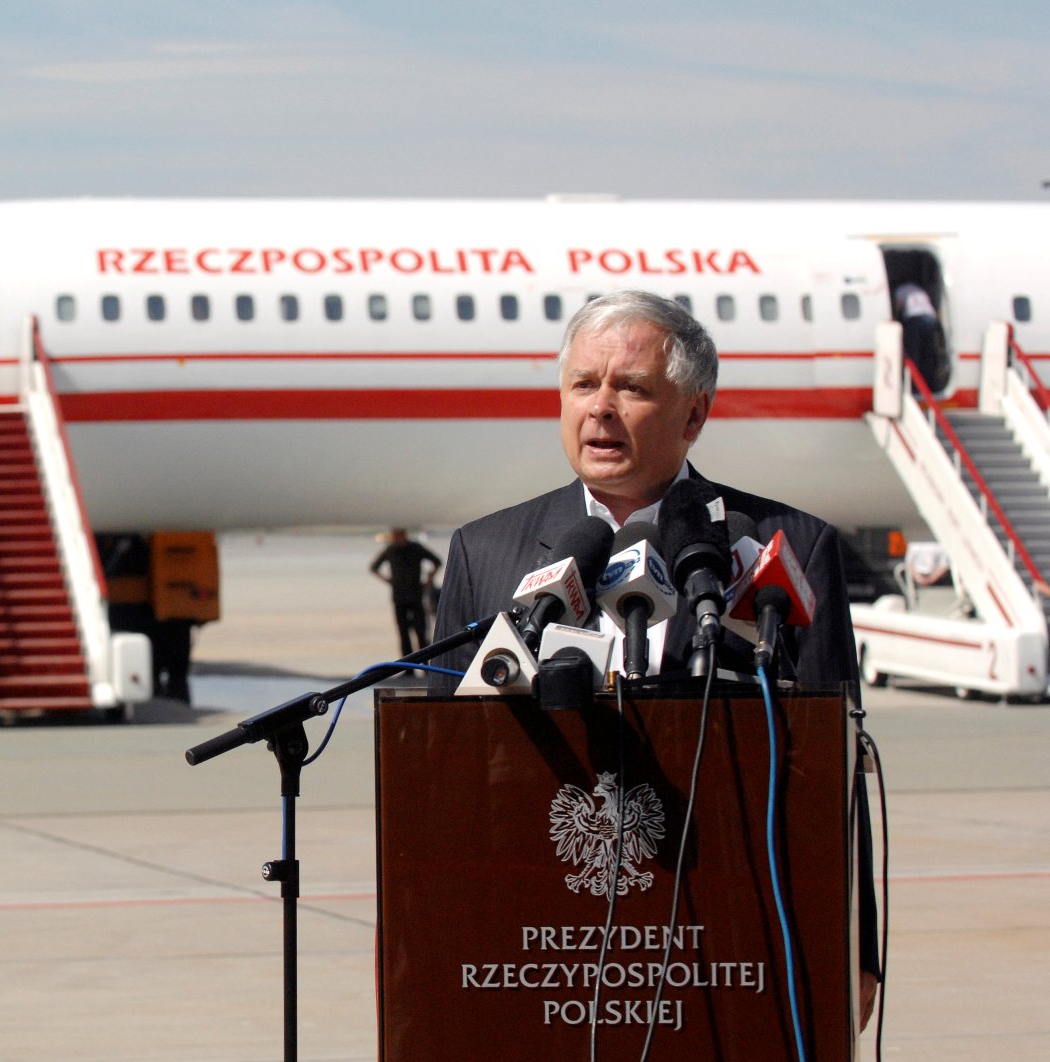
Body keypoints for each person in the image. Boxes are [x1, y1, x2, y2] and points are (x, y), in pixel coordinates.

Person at [431, 290, 880, 1029]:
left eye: (630, 388)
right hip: (535, 932)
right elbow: (441, 770)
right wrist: (428, 928)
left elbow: (833, 766)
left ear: (694, 414)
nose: (599, 409)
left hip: (727, 924)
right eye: (582, 384)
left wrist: (854, 944)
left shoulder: (786, 547)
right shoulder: (485, 552)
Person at [370, 528, 442, 655]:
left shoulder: (415, 548)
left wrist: (428, 579)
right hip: (399, 597)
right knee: (404, 634)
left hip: (415, 595)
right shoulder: (391, 550)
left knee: (421, 632)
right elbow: (374, 567)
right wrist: (388, 580)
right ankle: (408, 666)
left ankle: (425, 663)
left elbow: (437, 561)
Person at [895, 281, 946, 393]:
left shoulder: (900, 290)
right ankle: (931, 384)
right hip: (931, 321)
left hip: (915, 321)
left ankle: (914, 386)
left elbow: (899, 305)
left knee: (914, 354)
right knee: (929, 355)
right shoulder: (919, 289)